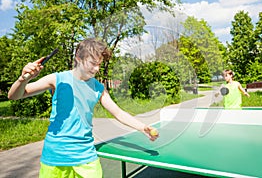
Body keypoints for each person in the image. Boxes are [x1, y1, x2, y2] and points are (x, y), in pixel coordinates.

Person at [8, 38, 159, 178]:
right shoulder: (57, 79)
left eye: (99, 64)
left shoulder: (98, 88)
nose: (97, 68)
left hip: (85, 157)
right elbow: (14, 95)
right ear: (78, 59)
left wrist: (142, 127)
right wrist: (23, 79)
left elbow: (118, 112)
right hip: (55, 156)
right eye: (93, 63)